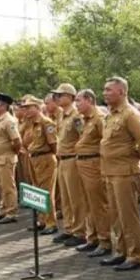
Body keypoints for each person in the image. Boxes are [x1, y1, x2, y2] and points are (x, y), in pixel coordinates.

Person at [100, 77, 140, 270]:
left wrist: (131, 158)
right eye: (104, 90)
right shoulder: (111, 115)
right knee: (115, 215)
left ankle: (134, 255)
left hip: (125, 172)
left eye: (109, 90)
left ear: (122, 92)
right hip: (110, 172)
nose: (104, 93)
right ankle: (120, 251)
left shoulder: (130, 114)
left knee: (128, 215)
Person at [72, 89, 113, 255]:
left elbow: (106, 143)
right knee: (87, 203)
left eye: (79, 101)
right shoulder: (85, 120)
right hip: (82, 163)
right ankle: (92, 237)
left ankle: (105, 240)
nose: (77, 104)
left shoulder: (99, 119)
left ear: (89, 100)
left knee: (98, 204)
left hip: (94, 163)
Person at [51, 83, 90, 244]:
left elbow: (83, 137)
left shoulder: (76, 116)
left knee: (76, 198)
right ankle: (68, 227)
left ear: (70, 97)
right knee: (65, 197)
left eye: (60, 95)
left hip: (73, 160)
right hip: (62, 160)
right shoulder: (61, 115)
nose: (57, 98)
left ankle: (80, 231)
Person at [20, 96, 59, 233]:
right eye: (25, 108)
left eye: (29, 107)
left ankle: (51, 223)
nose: (26, 110)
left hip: (45, 158)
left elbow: (54, 144)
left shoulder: (46, 123)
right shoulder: (30, 123)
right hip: (33, 158)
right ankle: (42, 220)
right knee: (37, 190)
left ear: (37, 108)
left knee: (46, 191)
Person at [0, 93, 22, 224]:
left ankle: (11, 212)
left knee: (8, 187)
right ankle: (3, 209)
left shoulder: (9, 120)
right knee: (1, 186)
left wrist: (13, 153)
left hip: (6, 159)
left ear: (3, 106)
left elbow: (17, 140)